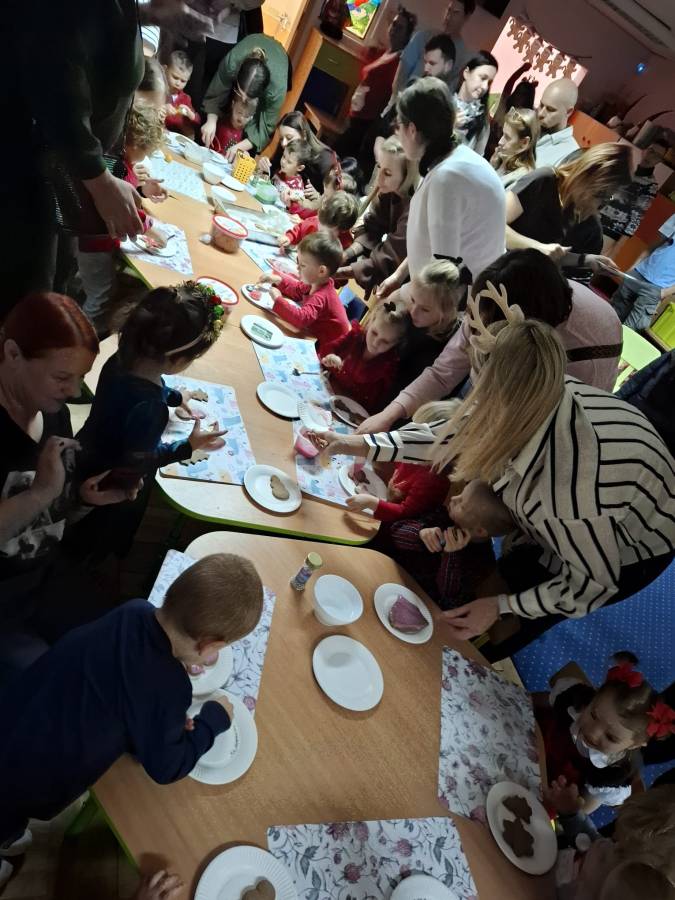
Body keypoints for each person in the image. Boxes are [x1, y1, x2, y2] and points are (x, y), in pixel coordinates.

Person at [311, 299, 675, 660]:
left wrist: (503, 607)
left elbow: (592, 584)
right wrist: (353, 444)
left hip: (638, 534)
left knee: (516, 610)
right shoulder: (530, 387)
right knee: (511, 571)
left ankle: (481, 658)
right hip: (605, 481)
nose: (475, 404)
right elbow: (447, 436)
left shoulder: (568, 484)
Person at [0, 554, 264, 863]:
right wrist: (213, 720)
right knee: (7, 810)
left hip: (18, 714)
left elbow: (119, 686)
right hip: (33, 772)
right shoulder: (170, 689)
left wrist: (161, 714)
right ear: (209, 646)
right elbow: (167, 767)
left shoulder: (134, 610)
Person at [3, 0, 216, 314]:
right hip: (32, 170)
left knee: (55, 282)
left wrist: (146, 14)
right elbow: (55, 79)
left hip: (63, 172)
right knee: (29, 297)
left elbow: (92, 24)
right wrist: (100, 181)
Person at [0, 294, 143, 678]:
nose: (75, 391)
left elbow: (51, 516)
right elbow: (40, 497)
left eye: (81, 377)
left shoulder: (54, 415)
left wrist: (82, 500)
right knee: (58, 681)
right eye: (62, 377)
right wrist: (40, 493)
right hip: (7, 596)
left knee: (120, 644)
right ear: (13, 354)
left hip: (44, 574)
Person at [359, 249, 623, 435]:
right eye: (472, 314)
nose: (473, 328)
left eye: (484, 326)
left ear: (518, 326)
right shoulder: (494, 299)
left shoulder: (581, 361)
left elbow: (524, 428)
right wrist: (390, 414)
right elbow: (443, 373)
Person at [379, 77, 505, 293]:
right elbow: (433, 240)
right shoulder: (454, 160)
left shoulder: (447, 177)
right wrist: (399, 275)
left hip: (461, 297)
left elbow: (442, 270)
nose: (397, 134)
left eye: (399, 126)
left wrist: (407, 295)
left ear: (412, 129)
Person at [537, 652, 671, 815]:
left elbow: (583, 808)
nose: (592, 733)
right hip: (531, 736)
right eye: (593, 715)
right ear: (594, 697)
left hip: (549, 787)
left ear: (635, 744)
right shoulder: (575, 699)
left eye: (610, 737)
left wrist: (568, 808)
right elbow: (543, 700)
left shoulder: (611, 775)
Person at [76, 105, 170, 336]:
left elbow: (129, 187)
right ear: (134, 145)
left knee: (98, 285)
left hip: (92, 241)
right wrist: (150, 229)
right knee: (101, 294)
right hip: (95, 245)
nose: (144, 158)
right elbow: (126, 209)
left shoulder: (118, 161)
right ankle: (83, 334)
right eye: (145, 152)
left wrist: (143, 189)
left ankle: (79, 309)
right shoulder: (118, 166)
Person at [384, 474, 513, 611]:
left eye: (461, 503)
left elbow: (448, 597)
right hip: (393, 572)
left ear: (480, 531)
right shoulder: (443, 515)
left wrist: (451, 555)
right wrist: (420, 533)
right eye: (459, 494)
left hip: (419, 603)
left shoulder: (482, 561)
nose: (453, 498)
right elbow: (394, 533)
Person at [505, 142, 634, 263]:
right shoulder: (544, 181)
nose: (596, 206)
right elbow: (497, 225)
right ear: (585, 174)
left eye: (607, 199)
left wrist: (583, 261)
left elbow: (555, 258)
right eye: (599, 194)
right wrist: (537, 248)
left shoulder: (590, 228)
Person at [545, 779, 675, 899]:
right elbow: (588, 840)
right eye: (614, 840)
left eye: (606, 857)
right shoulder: (608, 859)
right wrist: (571, 813)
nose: (603, 842)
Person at [334, 6, 417, 160]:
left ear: (407, 35)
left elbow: (391, 93)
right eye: (394, 24)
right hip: (355, 117)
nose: (394, 29)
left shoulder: (399, 61)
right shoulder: (383, 52)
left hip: (366, 124)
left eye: (400, 28)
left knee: (337, 157)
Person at [338, 136, 418, 295]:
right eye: (379, 167)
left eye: (387, 173)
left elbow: (390, 257)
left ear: (407, 175)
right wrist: (345, 255)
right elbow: (372, 228)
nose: (379, 179)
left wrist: (337, 272)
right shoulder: (389, 191)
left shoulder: (414, 209)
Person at [202, 36, 290, 161]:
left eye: (248, 97)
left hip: (279, 58)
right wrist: (211, 121)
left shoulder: (276, 91)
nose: (243, 99)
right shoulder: (232, 63)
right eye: (239, 91)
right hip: (252, 42)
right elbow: (217, 90)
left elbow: (266, 127)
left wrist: (238, 147)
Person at [259, 232, 349, 354]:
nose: (297, 268)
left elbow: (301, 319)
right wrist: (278, 280)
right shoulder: (316, 281)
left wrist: (278, 300)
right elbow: (297, 289)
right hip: (316, 338)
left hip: (332, 351)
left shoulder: (321, 296)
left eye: (302, 265)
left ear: (321, 271)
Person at [393, 258, 468, 395]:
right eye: (413, 300)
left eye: (425, 309)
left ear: (446, 312)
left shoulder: (454, 346)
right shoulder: (407, 316)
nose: (413, 311)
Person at [319, 299, 409, 413]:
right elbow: (326, 350)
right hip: (325, 392)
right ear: (370, 323)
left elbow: (374, 406)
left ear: (395, 344)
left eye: (385, 341)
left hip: (348, 412)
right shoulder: (354, 336)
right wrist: (331, 357)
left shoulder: (388, 368)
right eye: (374, 333)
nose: (375, 343)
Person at [388, 0, 475, 106]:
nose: (448, 17)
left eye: (456, 13)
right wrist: (400, 103)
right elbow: (401, 74)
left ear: (466, 17)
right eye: (448, 10)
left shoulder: (462, 58)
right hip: (398, 103)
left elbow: (447, 95)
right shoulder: (423, 37)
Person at [599, 138, 669, 253]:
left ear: (659, 161)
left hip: (611, 230)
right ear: (644, 150)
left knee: (584, 260)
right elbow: (609, 196)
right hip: (595, 219)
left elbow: (636, 218)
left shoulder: (650, 185)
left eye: (657, 156)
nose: (651, 156)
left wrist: (616, 249)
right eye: (651, 151)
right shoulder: (626, 171)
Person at [610, 213, 675, 331]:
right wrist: (633, 268)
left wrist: (663, 293)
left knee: (629, 331)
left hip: (657, 288)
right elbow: (654, 245)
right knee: (609, 318)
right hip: (638, 274)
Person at [259, 111, 336, 196]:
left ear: (304, 135)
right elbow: (272, 171)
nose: (283, 143)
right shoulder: (287, 147)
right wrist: (265, 168)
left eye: (289, 138)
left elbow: (334, 198)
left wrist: (318, 197)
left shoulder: (325, 160)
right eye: (281, 139)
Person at [279, 191, 360, 251]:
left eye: (329, 232)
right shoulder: (314, 221)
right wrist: (289, 237)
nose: (322, 232)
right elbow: (300, 229)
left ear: (344, 231)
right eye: (320, 225)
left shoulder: (345, 246)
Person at [453, 51, 498, 156]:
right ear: (466, 73)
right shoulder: (443, 102)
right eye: (482, 78)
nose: (485, 87)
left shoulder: (482, 121)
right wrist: (450, 126)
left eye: (489, 82)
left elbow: (476, 158)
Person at [489, 107, 539, 188]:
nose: (500, 142)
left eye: (507, 138)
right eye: (503, 134)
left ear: (524, 143)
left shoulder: (520, 179)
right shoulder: (501, 159)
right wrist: (493, 166)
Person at [535, 78, 580, 167]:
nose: (540, 113)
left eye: (550, 109)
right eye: (541, 105)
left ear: (568, 112)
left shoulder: (571, 155)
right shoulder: (530, 126)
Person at [272, 139, 315, 217]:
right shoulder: (281, 171)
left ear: (299, 168)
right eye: (284, 156)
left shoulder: (297, 188)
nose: (283, 162)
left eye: (289, 162)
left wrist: (289, 204)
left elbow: (295, 212)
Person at [163, 50, 201, 138]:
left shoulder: (186, 99)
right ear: (165, 69)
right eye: (175, 77)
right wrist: (163, 109)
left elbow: (197, 121)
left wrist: (191, 115)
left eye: (183, 81)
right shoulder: (159, 91)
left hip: (177, 136)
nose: (178, 83)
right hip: (159, 132)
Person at [212, 88, 258, 158]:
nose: (241, 117)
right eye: (239, 112)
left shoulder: (248, 134)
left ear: (252, 117)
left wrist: (245, 155)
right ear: (233, 104)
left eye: (246, 116)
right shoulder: (221, 123)